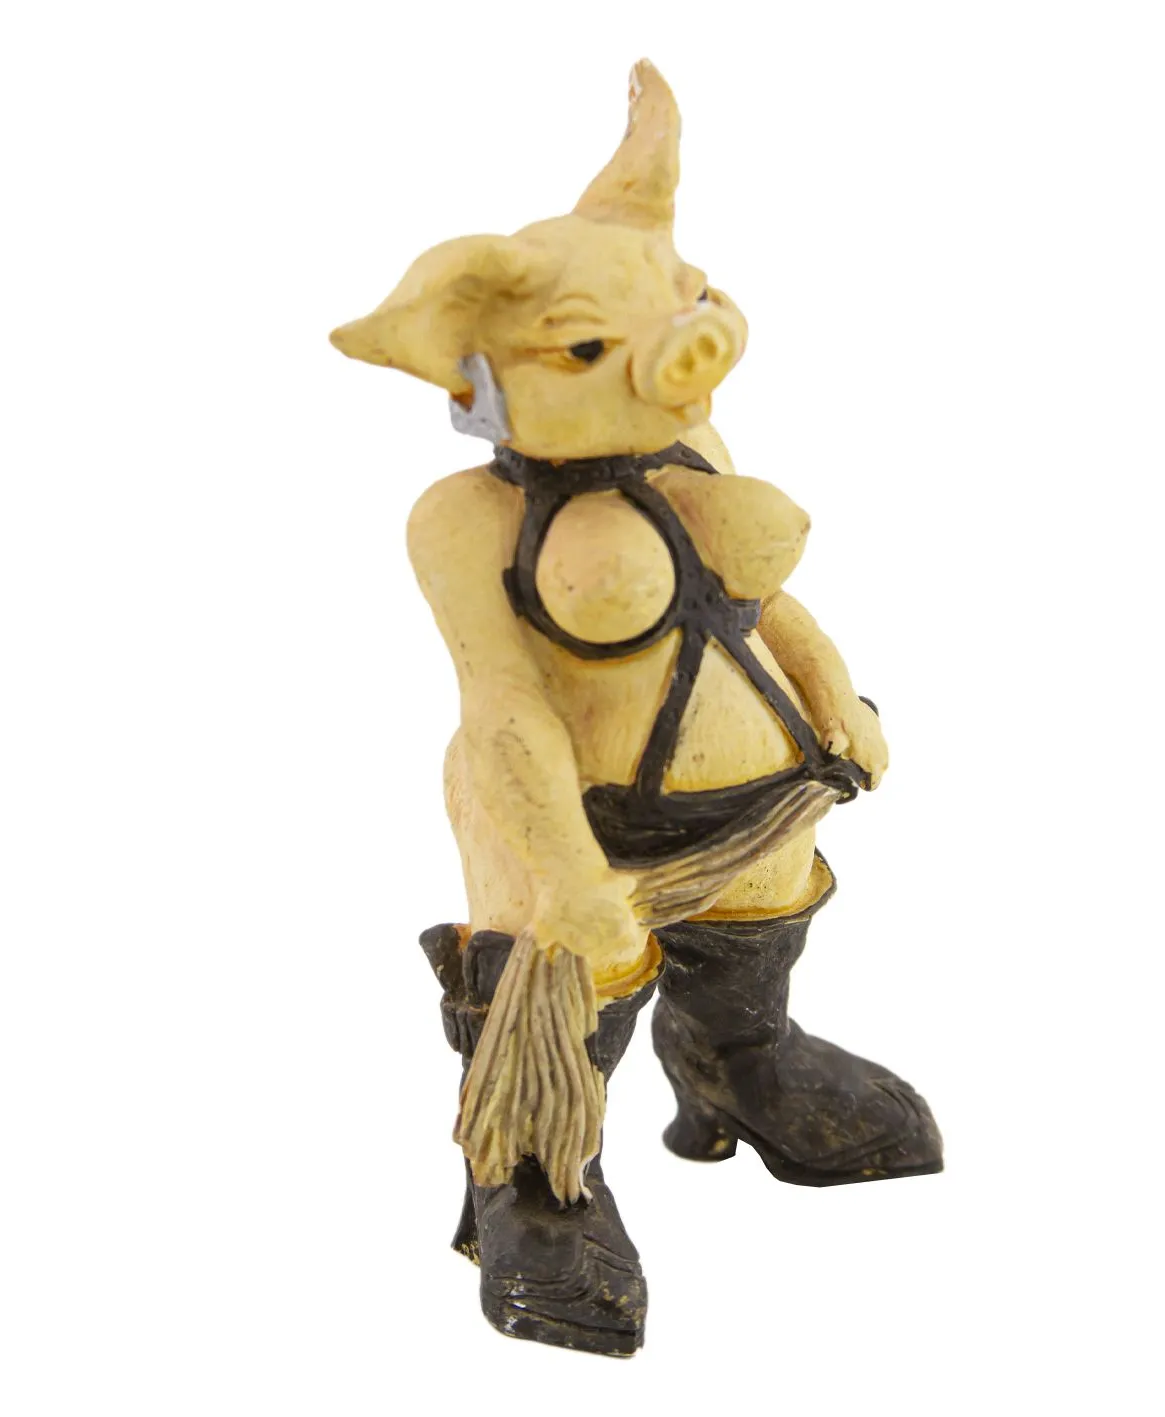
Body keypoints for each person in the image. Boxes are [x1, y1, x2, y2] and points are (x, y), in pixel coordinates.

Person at [332, 61, 942, 1357]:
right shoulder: (467, 520)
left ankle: (743, 1063)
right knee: (566, 991)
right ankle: (534, 1174)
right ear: (474, 365)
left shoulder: (695, 450)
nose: (677, 357)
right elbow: (503, 705)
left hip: (762, 798)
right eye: (587, 348)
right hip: (575, 821)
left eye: (683, 301)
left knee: (760, 931)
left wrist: (837, 699)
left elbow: (765, 609)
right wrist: (563, 870)